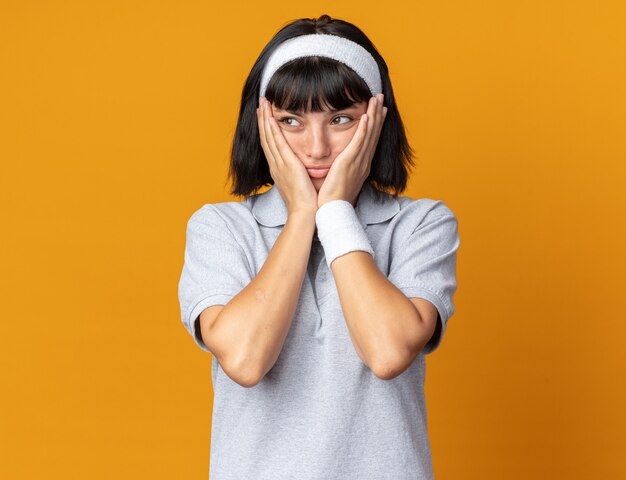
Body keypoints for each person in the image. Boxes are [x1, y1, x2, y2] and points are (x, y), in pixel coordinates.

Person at [178, 14, 460, 480]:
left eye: (341, 119)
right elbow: (246, 361)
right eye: (290, 120)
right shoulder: (220, 228)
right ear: (263, 126)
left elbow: (388, 353)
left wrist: (333, 214)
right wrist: (301, 216)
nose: (316, 148)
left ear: (375, 122)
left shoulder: (421, 224)